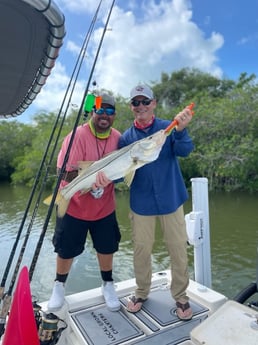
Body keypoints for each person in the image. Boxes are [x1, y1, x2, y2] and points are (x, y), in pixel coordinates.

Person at [118, 84, 194, 320]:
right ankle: (141, 292)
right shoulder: (125, 138)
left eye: (145, 102)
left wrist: (180, 131)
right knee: (141, 250)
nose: (140, 106)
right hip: (141, 203)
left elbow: (185, 151)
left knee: (178, 248)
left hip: (171, 198)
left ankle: (181, 297)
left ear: (154, 104)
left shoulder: (166, 128)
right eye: (135, 102)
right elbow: (122, 175)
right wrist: (105, 178)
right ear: (131, 107)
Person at [47, 93, 121, 312]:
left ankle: (107, 284)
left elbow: (120, 170)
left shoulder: (118, 137)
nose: (104, 115)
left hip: (105, 206)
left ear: (114, 115)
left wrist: (107, 181)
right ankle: (59, 286)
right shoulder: (76, 136)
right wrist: (89, 181)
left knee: (107, 247)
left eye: (109, 111)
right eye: (100, 110)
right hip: (74, 205)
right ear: (93, 112)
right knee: (65, 249)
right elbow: (63, 172)